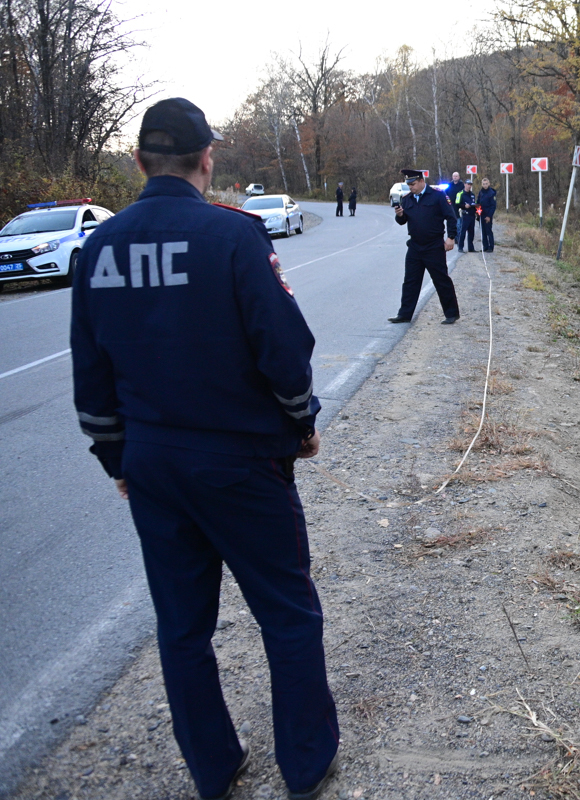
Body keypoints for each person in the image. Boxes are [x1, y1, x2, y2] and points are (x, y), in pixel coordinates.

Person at [70, 98, 340, 800]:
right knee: (286, 611)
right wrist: (300, 424)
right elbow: (284, 348)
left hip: (153, 465)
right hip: (241, 462)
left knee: (182, 628)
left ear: (138, 162)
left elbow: (90, 377)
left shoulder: (97, 249)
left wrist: (117, 461)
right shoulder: (233, 236)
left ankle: (215, 768)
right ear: (206, 158)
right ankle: (307, 766)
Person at [389, 168, 459, 325]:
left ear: (422, 181)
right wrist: (400, 215)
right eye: (409, 185)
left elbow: (451, 217)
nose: (411, 187)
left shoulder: (437, 196)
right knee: (410, 281)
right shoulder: (407, 199)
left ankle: (451, 313)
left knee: (441, 280)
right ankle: (405, 314)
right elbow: (403, 221)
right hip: (415, 245)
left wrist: (451, 237)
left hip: (433, 245)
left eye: (413, 184)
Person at [456, 180, 477, 252]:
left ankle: (471, 248)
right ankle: (460, 247)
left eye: (470, 184)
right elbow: (457, 203)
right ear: (465, 184)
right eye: (468, 184)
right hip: (465, 215)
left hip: (472, 215)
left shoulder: (472, 194)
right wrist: (464, 206)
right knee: (463, 232)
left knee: (471, 232)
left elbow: (474, 203)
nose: (469, 186)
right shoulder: (460, 193)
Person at [478, 177, 497, 252]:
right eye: (483, 184)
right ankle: (485, 246)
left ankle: (490, 247)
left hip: (488, 214)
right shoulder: (481, 192)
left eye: (486, 184)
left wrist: (489, 216)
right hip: (481, 214)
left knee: (488, 231)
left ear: (489, 184)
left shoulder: (491, 193)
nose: (485, 185)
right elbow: (478, 202)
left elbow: (493, 206)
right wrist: (477, 211)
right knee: (483, 232)